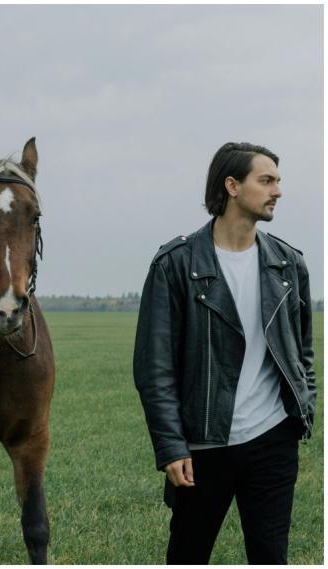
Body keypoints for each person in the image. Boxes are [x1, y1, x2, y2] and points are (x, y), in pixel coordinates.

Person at [133, 142, 316, 564]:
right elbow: (153, 367)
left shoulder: (288, 264)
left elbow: (301, 348)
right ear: (232, 186)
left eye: (278, 181)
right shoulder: (175, 264)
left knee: (271, 556)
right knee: (188, 554)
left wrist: (301, 407)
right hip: (203, 446)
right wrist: (171, 446)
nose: (278, 191)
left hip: (273, 440)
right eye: (266, 180)